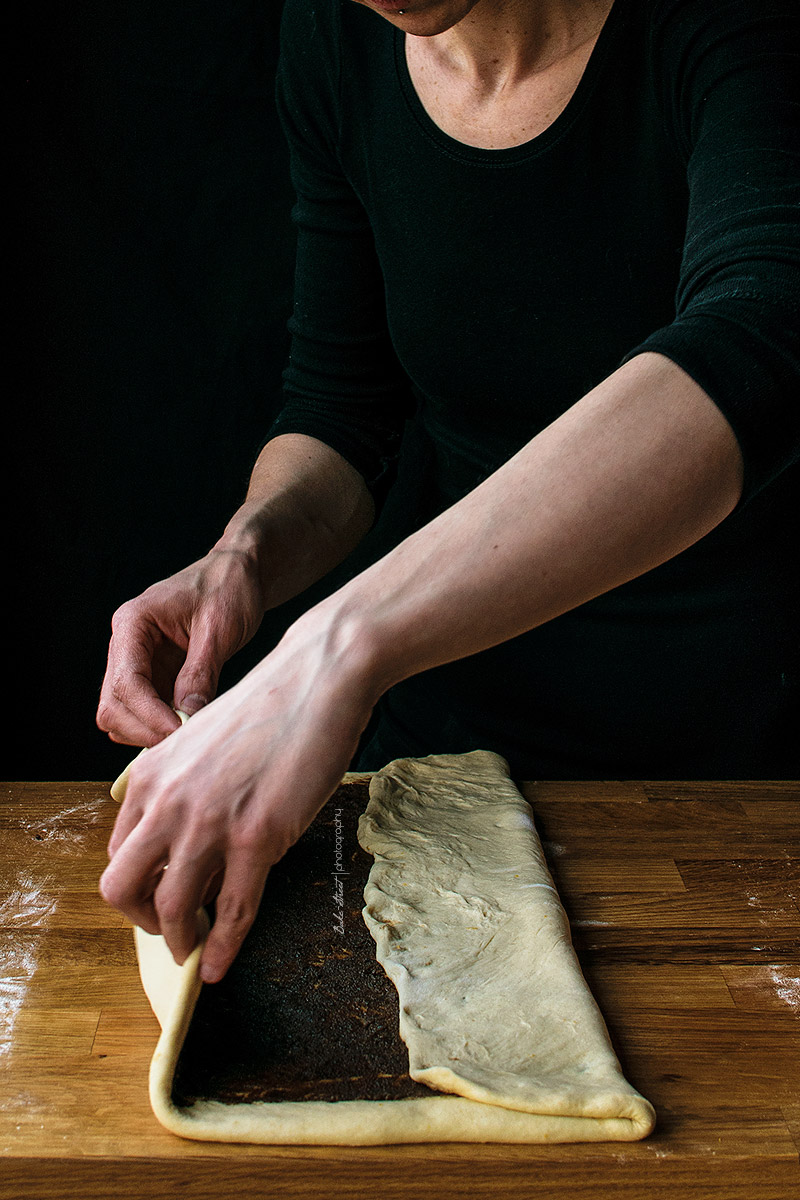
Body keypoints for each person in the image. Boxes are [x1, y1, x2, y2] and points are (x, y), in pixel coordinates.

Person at [96, 0, 800, 986]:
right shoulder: (332, 38)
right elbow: (344, 409)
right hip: (445, 766)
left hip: (740, 771)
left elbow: (764, 333)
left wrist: (334, 648)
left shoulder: (725, 28)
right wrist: (242, 557)